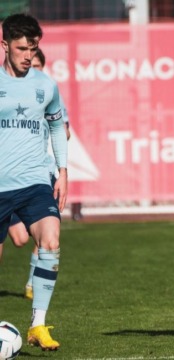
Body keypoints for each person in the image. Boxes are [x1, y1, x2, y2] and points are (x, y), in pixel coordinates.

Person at [0, 14, 68, 350]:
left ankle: (38, 325)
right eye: (21, 48)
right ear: (5, 45)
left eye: (33, 48)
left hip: (35, 182)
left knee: (50, 240)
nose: (28, 55)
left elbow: (57, 126)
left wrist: (63, 171)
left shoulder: (45, 85)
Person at [5, 47, 71, 301]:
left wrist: (51, 125)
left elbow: (63, 130)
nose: (34, 71)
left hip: (41, 175)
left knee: (48, 233)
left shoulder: (49, 92)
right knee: (20, 239)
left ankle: (34, 284)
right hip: (8, 177)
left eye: (39, 67)